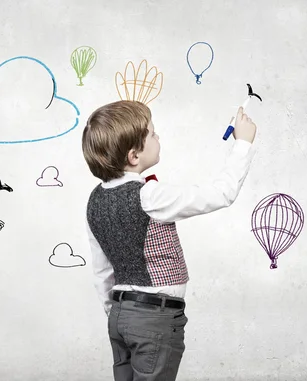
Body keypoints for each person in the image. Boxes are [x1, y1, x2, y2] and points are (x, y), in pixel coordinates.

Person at [81, 100, 257, 381]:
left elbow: (102, 270)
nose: (158, 137)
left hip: (119, 316)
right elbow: (221, 193)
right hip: (154, 318)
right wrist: (243, 144)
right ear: (134, 155)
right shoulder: (149, 195)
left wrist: (117, 313)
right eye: (152, 133)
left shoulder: (94, 201)